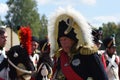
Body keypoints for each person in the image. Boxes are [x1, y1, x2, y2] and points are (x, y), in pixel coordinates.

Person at [48, 7, 108, 80]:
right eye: (61, 40)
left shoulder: (88, 54)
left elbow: (102, 78)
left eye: (65, 39)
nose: (63, 43)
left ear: (73, 40)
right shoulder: (62, 56)